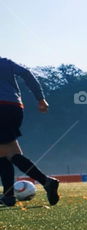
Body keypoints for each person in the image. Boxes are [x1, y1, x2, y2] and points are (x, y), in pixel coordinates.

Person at [0, 57, 59, 206]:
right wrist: (40, 99)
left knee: (9, 153)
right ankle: (8, 196)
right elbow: (27, 74)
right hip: (14, 107)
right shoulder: (5, 62)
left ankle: (46, 181)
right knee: (6, 152)